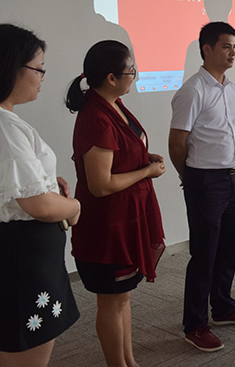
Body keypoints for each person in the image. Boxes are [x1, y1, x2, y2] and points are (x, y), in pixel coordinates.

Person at [0, 24, 81, 367]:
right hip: (20, 258)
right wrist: (73, 206)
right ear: (11, 67)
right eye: (38, 68)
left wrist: (45, 182)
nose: (43, 77)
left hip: (22, 256)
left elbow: (16, 188)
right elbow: (38, 204)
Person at [66, 40, 166, 367]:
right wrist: (147, 171)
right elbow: (101, 185)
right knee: (111, 301)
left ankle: (128, 361)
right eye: (131, 71)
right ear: (111, 78)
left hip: (126, 218)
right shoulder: (96, 117)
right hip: (107, 227)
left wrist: (142, 158)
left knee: (123, 298)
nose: (135, 75)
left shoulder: (114, 104)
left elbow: (121, 154)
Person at [169, 22, 235, 353]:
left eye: (234, 46)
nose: (233, 52)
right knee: (204, 254)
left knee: (230, 247)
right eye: (226, 46)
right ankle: (194, 325)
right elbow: (177, 142)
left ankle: (222, 307)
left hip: (234, 176)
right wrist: (190, 177)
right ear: (207, 50)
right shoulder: (193, 90)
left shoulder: (231, 88)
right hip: (206, 181)